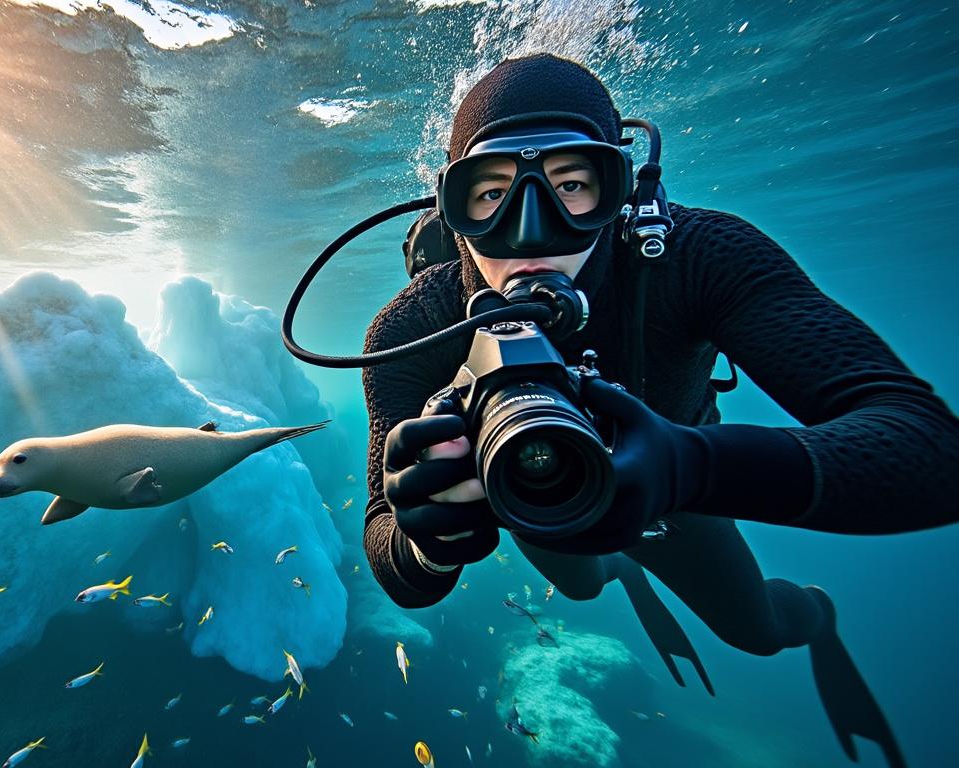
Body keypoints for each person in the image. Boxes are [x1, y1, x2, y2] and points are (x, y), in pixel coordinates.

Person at [362, 53, 959, 768]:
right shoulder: (412, 327)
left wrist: (690, 467)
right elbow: (389, 540)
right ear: (452, 211)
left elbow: (929, 446)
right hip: (532, 483)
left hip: (680, 496)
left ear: (621, 189)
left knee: (760, 631)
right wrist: (431, 539)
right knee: (583, 587)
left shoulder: (697, 255)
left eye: (573, 185)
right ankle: (623, 568)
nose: (531, 230)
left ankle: (817, 615)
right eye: (490, 194)